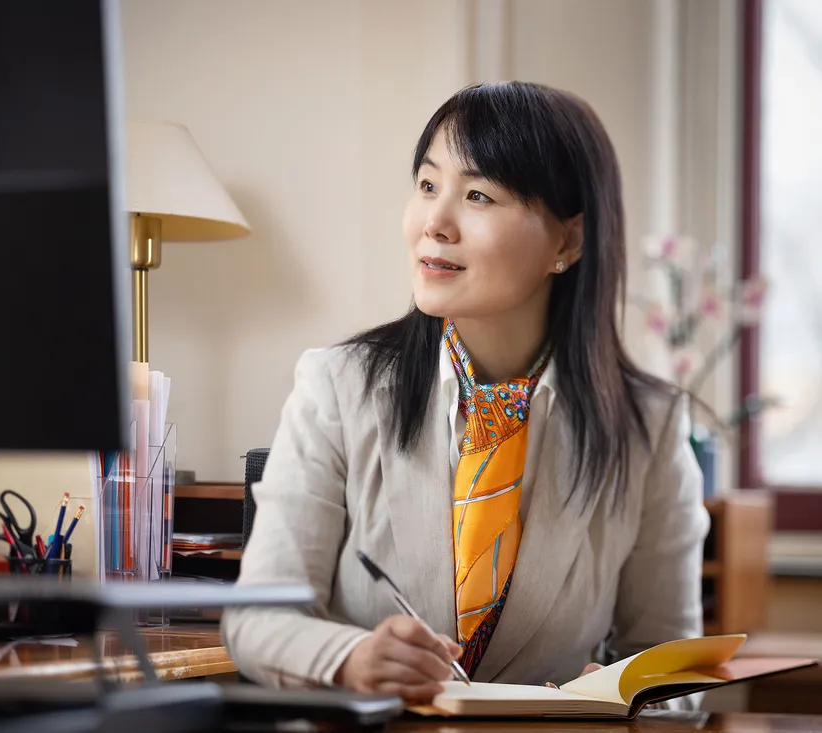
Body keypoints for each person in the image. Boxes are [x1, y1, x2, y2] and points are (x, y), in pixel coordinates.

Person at [221, 81, 709, 705]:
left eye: (477, 195)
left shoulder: (649, 427)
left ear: (568, 242)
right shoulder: (338, 387)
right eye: (427, 186)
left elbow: (673, 662)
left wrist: (632, 690)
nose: (434, 222)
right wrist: (350, 658)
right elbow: (255, 622)